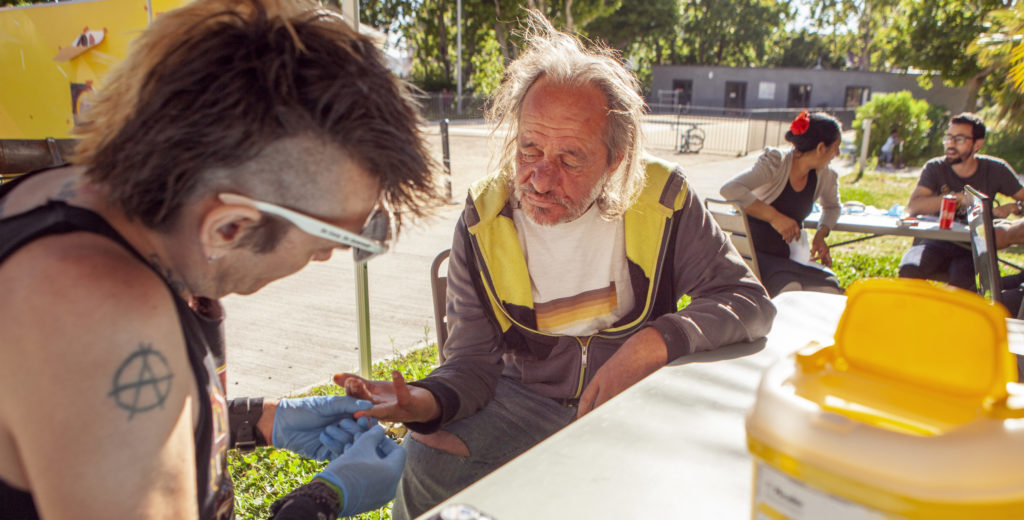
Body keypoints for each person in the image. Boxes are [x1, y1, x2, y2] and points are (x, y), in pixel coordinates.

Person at [0, 0, 445, 518]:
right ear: (228, 226)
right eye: (329, 241)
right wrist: (319, 502)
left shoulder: (62, 198)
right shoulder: (106, 316)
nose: (327, 257)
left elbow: (90, 432)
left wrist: (257, 421)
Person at [335, 11, 776, 519]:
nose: (541, 180)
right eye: (529, 149)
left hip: (632, 404)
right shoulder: (485, 218)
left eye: (570, 160)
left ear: (616, 159)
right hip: (522, 403)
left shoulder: (663, 198)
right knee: (430, 462)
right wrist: (423, 401)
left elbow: (747, 302)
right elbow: (473, 365)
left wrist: (649, 346)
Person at [720, 110, 843, 297]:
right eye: (836, 147)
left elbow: (832, 207)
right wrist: (774, 217)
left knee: (829, 288)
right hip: (754, 253)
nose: (838, 154)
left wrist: (821, 234)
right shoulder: (776, 163)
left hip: (788, 256)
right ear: (820, 148)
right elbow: (729, 189)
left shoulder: (824, 175)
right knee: (790, 288)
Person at [898, 112, 1024, 291]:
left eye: (959, 139)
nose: (951, 143)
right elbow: (914, 206)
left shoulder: (996, 169)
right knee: (909, 269)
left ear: (977, 144)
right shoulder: (935, 167)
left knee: (963, 285)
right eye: (948, 137)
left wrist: (1015, 207)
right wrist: (956, 198)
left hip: (970, 248)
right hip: (934, 242)